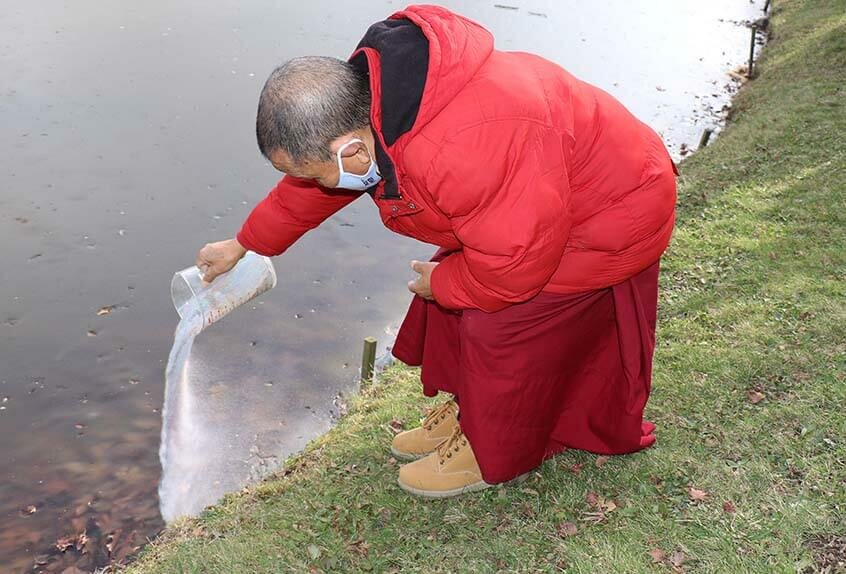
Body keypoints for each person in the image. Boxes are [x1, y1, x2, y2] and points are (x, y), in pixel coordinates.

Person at [196, 4, 677, 499]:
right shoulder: (375, 105)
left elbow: (513, 270)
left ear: (351, 153)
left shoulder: (460, 149)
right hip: (543, 205)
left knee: (498, 320)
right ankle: (471, 408)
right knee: (452, 289)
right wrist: (244, 244)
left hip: (616, 212)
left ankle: (493, 444)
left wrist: (444, 285)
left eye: (317, 171)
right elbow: (310, 189)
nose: (317, 184)